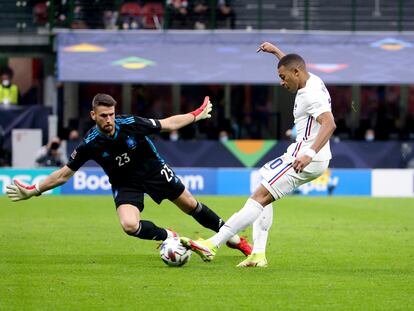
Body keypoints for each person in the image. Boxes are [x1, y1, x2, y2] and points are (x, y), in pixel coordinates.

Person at [6, 93, 252, 256]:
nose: (110, 120)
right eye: (104, 116)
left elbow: (167, 123)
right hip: (125, 183)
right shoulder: (89, 144)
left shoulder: (130, 123)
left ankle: (234, 240)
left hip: (153, 170)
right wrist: (35, 190)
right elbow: (63, 175)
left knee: (190, 204)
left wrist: (195, 115)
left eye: (112, 114)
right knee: (129, 225)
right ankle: (170, 236)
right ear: (93, 116)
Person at [181, 42, 336, 267]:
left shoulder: (310, 94)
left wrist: (309, 153)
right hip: (300, 152)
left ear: (296, 73)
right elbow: (292, 63)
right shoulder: (311, 79)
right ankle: (258, 254)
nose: (282, 83)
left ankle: (213, 244)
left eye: (283, 77)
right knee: (264, 183)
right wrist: (276, 52)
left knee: (259, 197)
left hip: (306, 157)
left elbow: (330, 124)